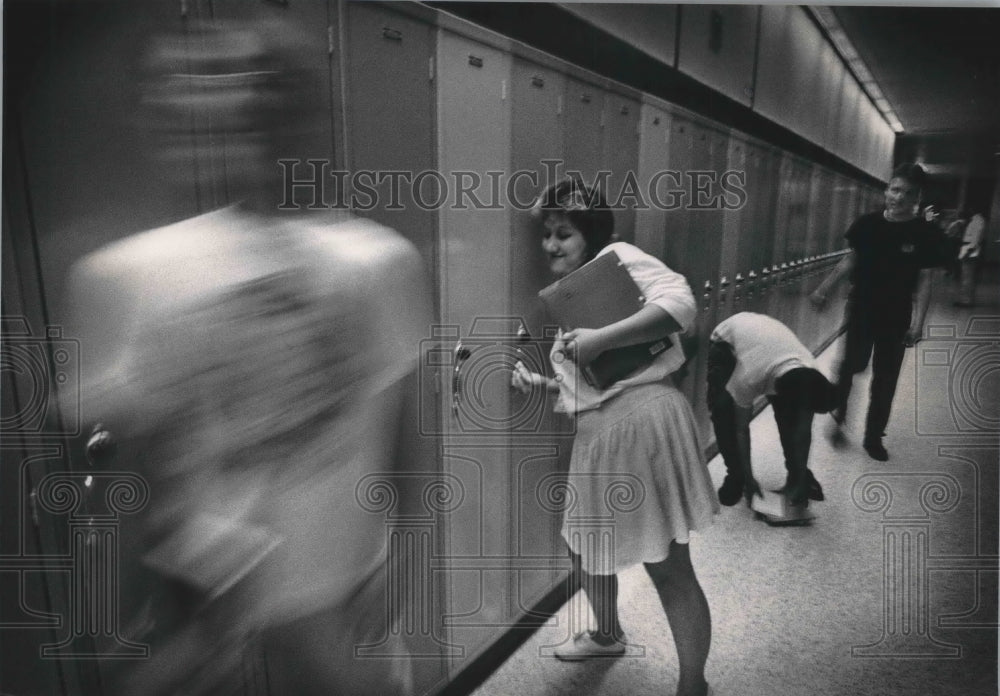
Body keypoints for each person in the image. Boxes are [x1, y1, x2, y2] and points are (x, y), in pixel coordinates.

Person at [63, 19, 429, 695]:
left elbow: (409, 454)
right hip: (199, 631)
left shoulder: (377, 264)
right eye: (194, 86)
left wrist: (399, 574)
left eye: (262, 90)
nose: (233, 110)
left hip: (341, 619)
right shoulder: (124, 280)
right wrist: (127, 639)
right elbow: (114, 485)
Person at [511, 175, 716, 696]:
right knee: (584, 546)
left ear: (592, 235)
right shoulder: (569, 299)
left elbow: (682, 306)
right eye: (549, 233)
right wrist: (543, 383)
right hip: (602, 433)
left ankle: (694, 684)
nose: (551, 245)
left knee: (668, 564)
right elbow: (590, 384)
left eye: (565, 234)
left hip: (642, 422)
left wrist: (601, 339)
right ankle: (607, 634)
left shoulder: (618, 259)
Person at [810, 163, 949, 462]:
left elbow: (926, 280)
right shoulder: (867, 224)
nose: (899, 197)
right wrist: (825, 288)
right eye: (895, 189)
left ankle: (873, 436)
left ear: (918, 197)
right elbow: (850, 260)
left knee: (885, 378)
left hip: (896, 314)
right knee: (849, 368)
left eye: (908, 193)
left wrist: (919, 323)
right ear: (887, 189)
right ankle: (838, 415)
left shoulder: (925, 233)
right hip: (861, 308)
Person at [707, 312, 835, 508]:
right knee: (725, 413)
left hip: (769, 345)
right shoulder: (749, 376)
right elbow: (741, 429)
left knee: (790, 422)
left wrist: (799, 474)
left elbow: (802, 431)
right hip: (726, 341)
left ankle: (798, 478)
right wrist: (749, 479)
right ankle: (736, 476)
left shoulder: (809, 374)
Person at [955, 208, 986, 307]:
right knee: (967, 276)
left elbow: (975, 239)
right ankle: (965, 299)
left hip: (970, 250)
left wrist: (968, 252)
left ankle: (966, 301)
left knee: (967, 277)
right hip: (968, 249)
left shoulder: (977, 221)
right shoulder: (976, 220)